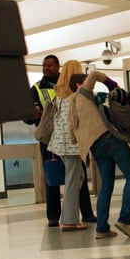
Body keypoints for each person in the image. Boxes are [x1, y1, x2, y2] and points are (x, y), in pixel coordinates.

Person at [26, 55, 96, 227]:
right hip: (64, 143)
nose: (46, 68)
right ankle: (65, 219)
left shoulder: (61, 93)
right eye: (44, 65)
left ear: (59, 68)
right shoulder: (42, 89)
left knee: (77, 178)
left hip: (57, 142)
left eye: (49, 65)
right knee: (61, 180)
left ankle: (82, 214)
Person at [70, 70, 130, 239]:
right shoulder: (83, 93)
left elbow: (72, 136)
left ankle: (102, 228)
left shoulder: (70, 105)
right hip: (110, 139)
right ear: (81, 84)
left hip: (95, 148)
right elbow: (94, 73)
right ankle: (124, 220)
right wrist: (112, 85)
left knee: (106, 185)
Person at [49, 70, 88, 231]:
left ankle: (68, 215)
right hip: (72, 144)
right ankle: (70, 220)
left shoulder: (58, 96)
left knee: (78, 177)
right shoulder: (74, 97)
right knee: (73, 180)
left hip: (59, 143)